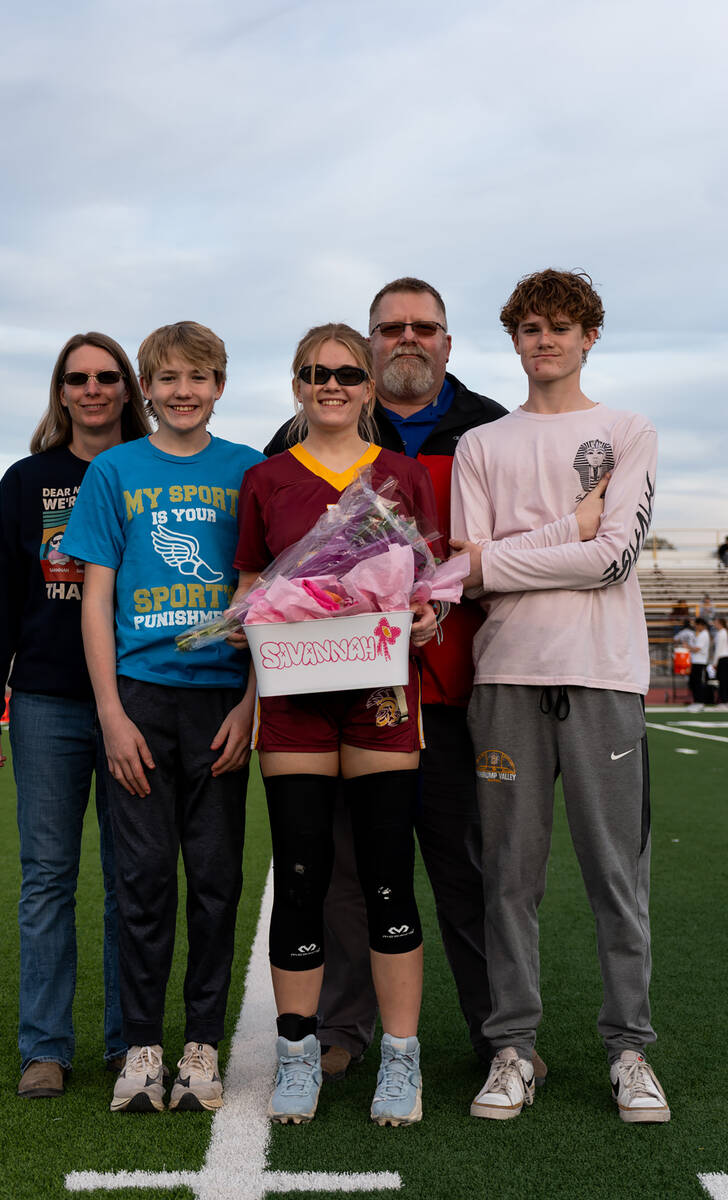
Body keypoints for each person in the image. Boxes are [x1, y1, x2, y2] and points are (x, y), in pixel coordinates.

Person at [264, 278, 523, 1082]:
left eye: (425, 326)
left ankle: (498, 1037)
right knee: (342, 868)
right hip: (337, 695)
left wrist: (437, 607)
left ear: (448, 341)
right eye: (391, 327)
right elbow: (275, 571)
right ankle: (342, 1030)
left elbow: (494, 552)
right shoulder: (292, 438)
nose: (407, 337)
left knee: (463, 867)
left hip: (459, 687)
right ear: (369, 345)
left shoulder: (489, 430)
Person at [452, 268, 670, 1124]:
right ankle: (514, 1048)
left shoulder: (628, 430)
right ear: (512, 339)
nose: (544, 339)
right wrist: (561, 535)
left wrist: (503, 558)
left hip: (603, 678)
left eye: (560, 327)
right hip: (505, 676)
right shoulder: (483, 445)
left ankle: (630, 1051)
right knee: (508, 876)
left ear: (588, 338)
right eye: (529, 327)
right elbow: (463, 575)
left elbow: (612, 556)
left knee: (617, 875)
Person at [233, 322, 438, 1126]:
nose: (332, 385)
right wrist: (251, 628)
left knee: (388, 873)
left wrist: (426, 620)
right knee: (304, 874)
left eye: (348, 374)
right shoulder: (266, 478)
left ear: (369, 385)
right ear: (296, 383)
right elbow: (251, 581)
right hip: (294, 699)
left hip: (381, 694)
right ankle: (295, 1052)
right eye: (316, 373)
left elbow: (427, 583)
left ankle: (400, 1058)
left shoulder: (400, 475)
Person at [61, 321, 263, 1114]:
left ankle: (201, 1045)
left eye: (200, 376)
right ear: (147, 387)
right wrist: (110, 711)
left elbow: (266, 598)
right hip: (141, 696)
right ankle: (143, 1047)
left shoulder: (249, 471)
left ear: (220, 385)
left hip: (221, 701)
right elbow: (97, 596)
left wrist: (252, 703)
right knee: (141, 881)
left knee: (214, 881)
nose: (184, 391)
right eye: (169, 378)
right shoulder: (114, 471)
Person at [0, 332, 151, 1098]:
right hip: (45, 704)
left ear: (127, 388)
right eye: (79, 378)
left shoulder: (147, 472)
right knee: (47, 878)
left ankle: (122, 1042)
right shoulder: (26, 481)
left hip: (136, 701)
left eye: (108, 377)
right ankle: (46, 1046)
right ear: (61, 391)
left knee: (129, 878)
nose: (94, 389)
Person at [688, 617, 711, 711]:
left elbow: (697, 649)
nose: (695, 627)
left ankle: (699, 702)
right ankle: (697, 701)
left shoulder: (704, 635)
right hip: (697, 661)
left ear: (701, 625)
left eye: (696, 625)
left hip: (700, 662)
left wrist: (688, 647)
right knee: (694, 682)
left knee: (697, 683)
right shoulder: (702, 634)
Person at [711, 616, 728, 708]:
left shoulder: (721, 633)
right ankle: (724, 700)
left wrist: (715, 662)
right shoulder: (724, 632)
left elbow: (718, 649)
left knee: (723, 681)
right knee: (724, 681)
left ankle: (724, 701)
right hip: (724, 658)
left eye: (716, 623)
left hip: (722, 658)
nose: (715, 624)